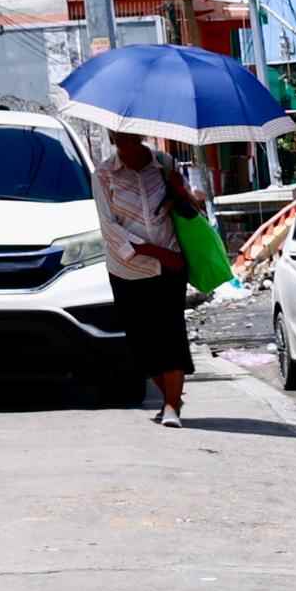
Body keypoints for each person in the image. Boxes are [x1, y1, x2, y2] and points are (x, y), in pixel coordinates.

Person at [93, 128, 207, 427]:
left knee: (170, 334)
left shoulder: (164, 164)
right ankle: (171, 395)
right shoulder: (104, 174)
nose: (126, 145)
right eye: (119, 139)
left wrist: (178, 192)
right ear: (112, 139)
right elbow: (110, 228)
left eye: (131, 138)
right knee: (140, 342)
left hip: (170, 265)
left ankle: (171, 405)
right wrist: (153, 251)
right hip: (127, 268)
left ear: (140, 136)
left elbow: (189, 207)